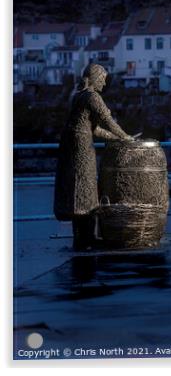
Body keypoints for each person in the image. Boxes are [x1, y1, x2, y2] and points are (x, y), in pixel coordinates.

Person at [54, 63, 133, 250]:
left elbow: (94, 128)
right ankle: (88, 238)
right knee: (87, 188)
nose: (104, 84)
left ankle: (80, 238)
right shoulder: (93, 97)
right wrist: (125, 137)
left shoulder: (78, 96)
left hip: (70, 146)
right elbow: (107, 121)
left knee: (78, 190)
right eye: (103, 80)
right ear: (96, 78)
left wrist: (114, 137)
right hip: (81, 147)